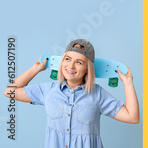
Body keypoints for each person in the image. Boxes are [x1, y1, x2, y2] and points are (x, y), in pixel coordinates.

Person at [4, 39, 140, 148]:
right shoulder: (48, 90)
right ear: (61, 62)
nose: (71, 66)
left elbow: (132, 117)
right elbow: (10, 92)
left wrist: (128, 83)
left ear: (87, 68)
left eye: (79, 62)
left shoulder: (97, 94)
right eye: (67, 59)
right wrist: (35, 69)